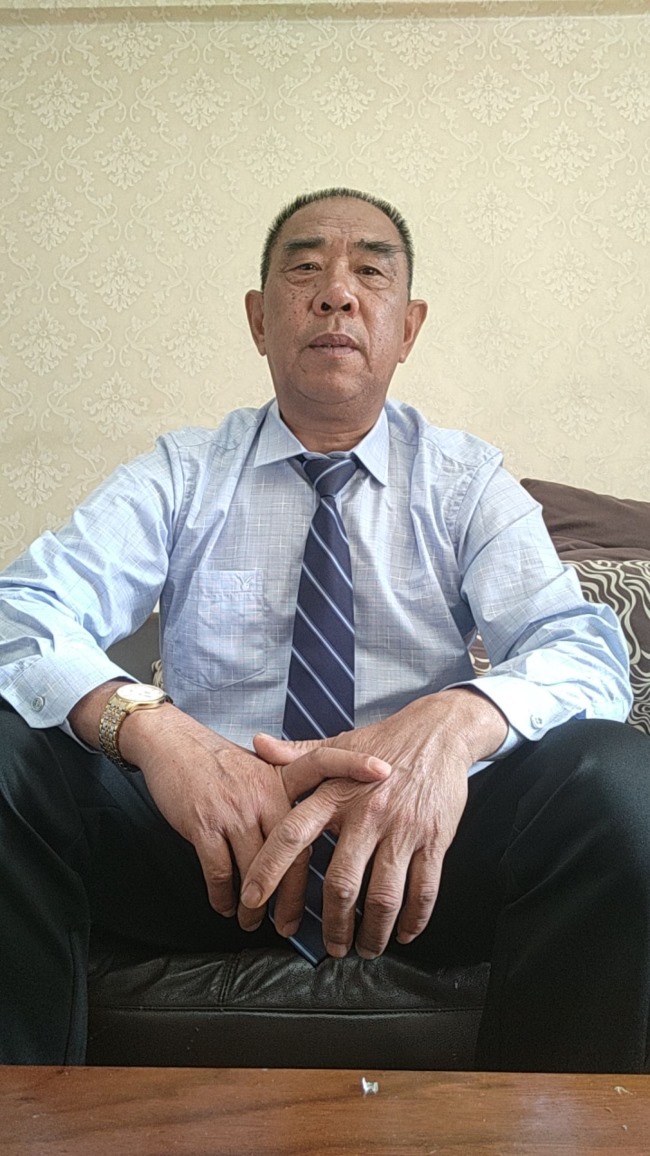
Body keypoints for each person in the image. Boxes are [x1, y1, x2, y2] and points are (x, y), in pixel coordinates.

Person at [0, 187, 649, 1072]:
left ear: (407, 328)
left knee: (618, 780)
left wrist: (455, 721)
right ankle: (25, 1117)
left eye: (370, 273)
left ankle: (557, 1129)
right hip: (202, 847)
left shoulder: (463, 481)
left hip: (416, 859)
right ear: (258, 319)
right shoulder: (183, 473)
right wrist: (155, 732)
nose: (337, 293)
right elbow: (21, 610)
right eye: (304, 268)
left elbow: (585, 651)